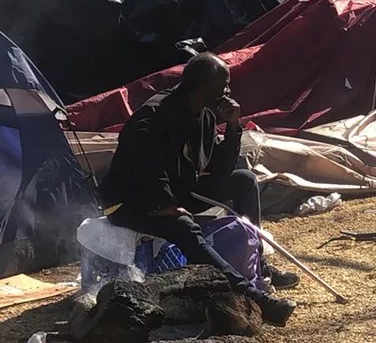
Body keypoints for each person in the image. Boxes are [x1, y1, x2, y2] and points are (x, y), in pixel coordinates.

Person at [98, 52, 299, 325]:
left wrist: (233, 127)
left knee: (244, 180)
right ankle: (252, 295)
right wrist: (165, 202)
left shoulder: (203, 115)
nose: (228, 92)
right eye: (224, 85)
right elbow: (145, 165)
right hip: (131, 201)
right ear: (204, 87)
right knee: (184, 226)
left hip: (179, 190)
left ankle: (257, 265)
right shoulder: (154, 115)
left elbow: (219, 169)